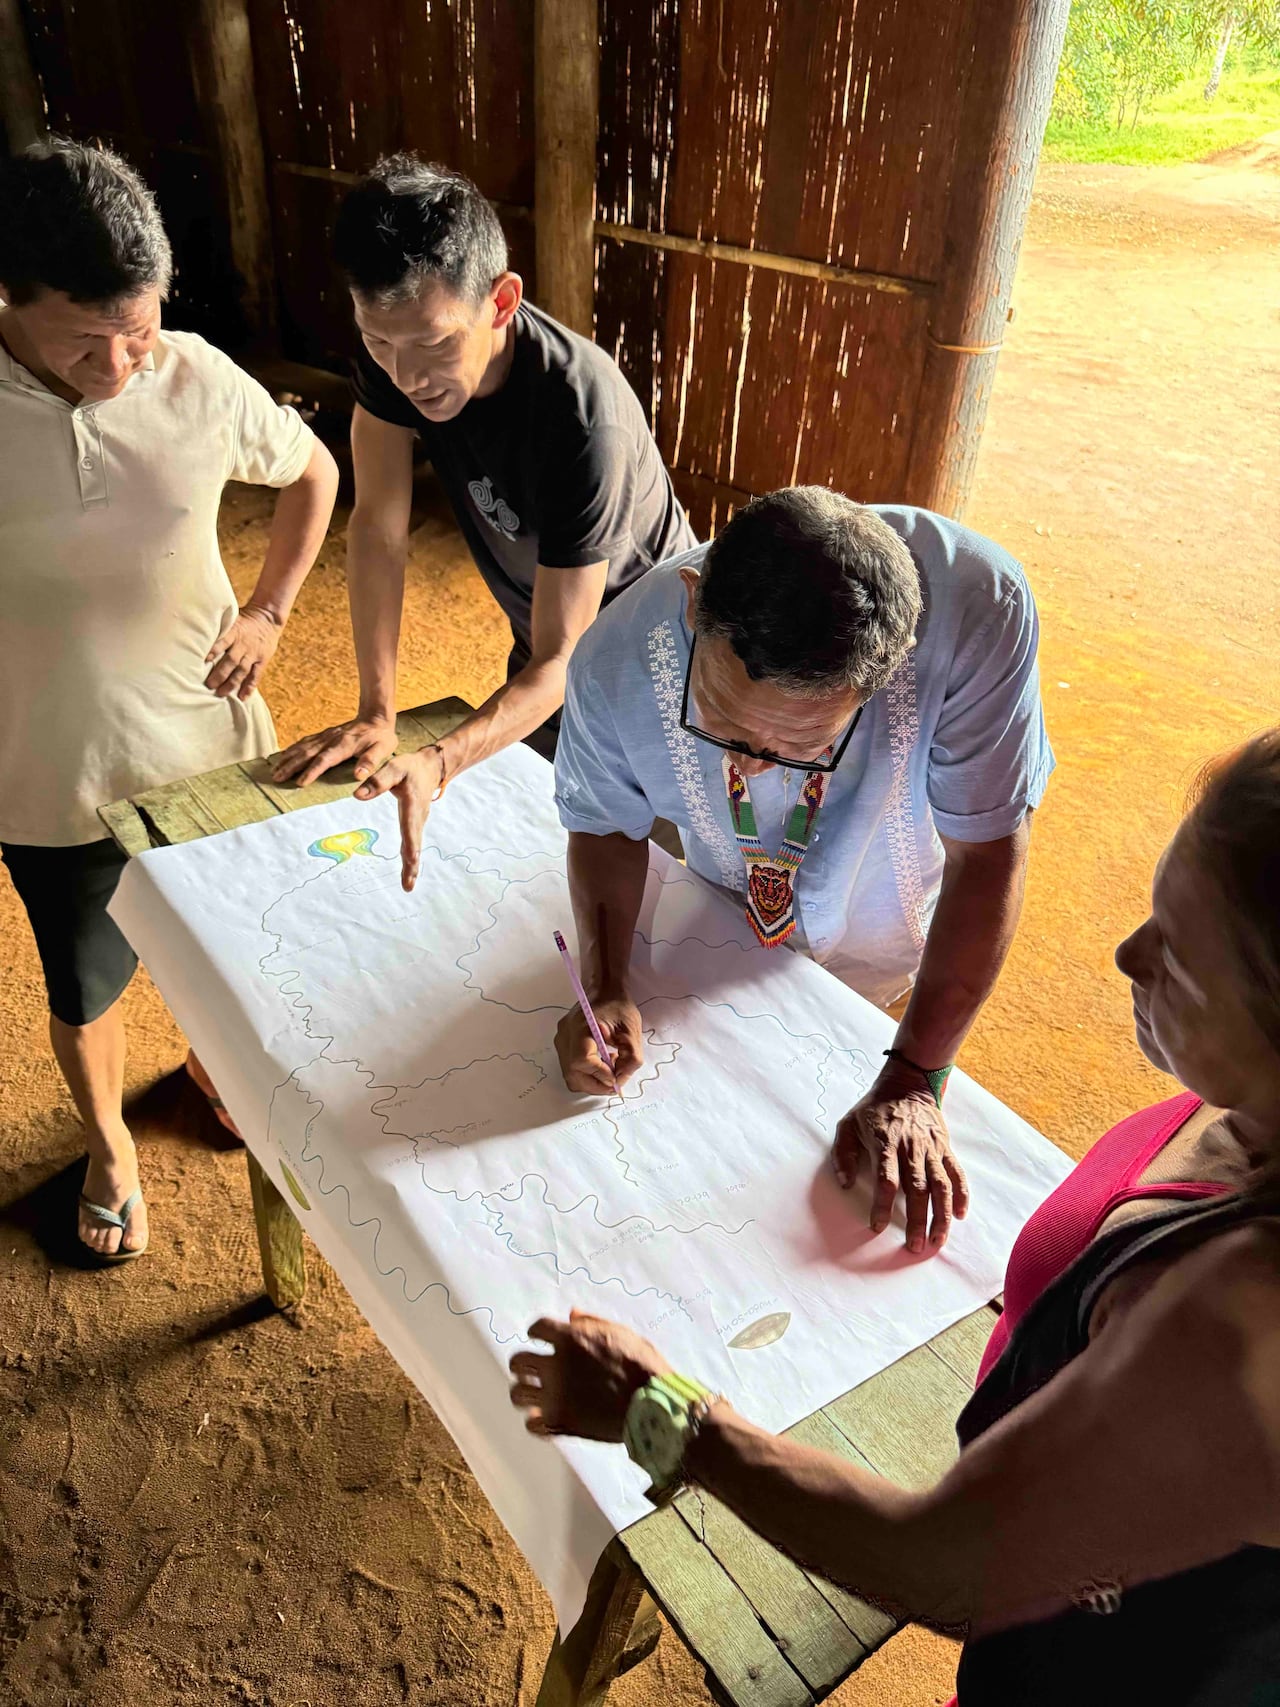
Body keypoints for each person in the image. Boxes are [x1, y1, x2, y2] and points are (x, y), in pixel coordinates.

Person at [511, 730, 1280, 1704]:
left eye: (1179, 957)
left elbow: (947, 1568)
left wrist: (662, 1411)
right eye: (1154, 911)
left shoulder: (1241, 1325)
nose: (1126, 953)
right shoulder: (1246, 1103)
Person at [552, 488, 1053, 1251]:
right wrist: (606, 981)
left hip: (896, 927)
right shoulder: (617, 659)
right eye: (720, 723)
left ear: (886, 677)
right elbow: (601, 825)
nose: (753, 764)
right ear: (694, 604)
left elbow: (986, 854)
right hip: (723, 930)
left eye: (801, 742)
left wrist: (918, 1076)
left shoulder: (981, 613)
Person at [0, 139, 339, 1262]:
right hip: (49, 771)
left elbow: (311, 475)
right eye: (83, 336)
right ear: (10, 298)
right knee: (87, 981)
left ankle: (210, 1063)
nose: (118, 361)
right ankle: (108, 1147)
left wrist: (270, 612)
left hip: (210, 743)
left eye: (136, 325)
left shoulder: (191, 376)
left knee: (238, 945)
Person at [273, 155, 695, 888]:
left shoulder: (577, 415)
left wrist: (438, 759)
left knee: (659, 897)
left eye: (436, 346)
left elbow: (565, 662)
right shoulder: (399, 345)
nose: (408, 377)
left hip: (664, 677)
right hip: (545, 651)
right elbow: (377, 524)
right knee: (531, 868)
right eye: (380, 344)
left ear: (501, 301)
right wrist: (379, 712)